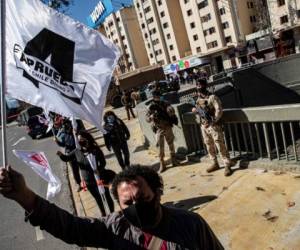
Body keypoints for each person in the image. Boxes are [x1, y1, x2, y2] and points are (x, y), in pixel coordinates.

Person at [0, 165, 224, 249]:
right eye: (128, 203)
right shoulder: (115, 227)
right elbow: (71, 228)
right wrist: (24, 196)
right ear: (119, 204)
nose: (135, 206)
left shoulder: (190, 224)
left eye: (142, 198)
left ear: (157, 193)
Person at [57, 130, 114, 216]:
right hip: (89, 182)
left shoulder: (95, 149)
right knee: (98, 199)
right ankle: (104, 215)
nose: (81, 141)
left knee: (106, 196)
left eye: (83, 139)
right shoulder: (77, 151)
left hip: (100, 178)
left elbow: (103, 162)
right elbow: (67, 158)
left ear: (87, 139)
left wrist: (98, 169)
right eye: (79, 140)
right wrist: (60, 155)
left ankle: (112, 213)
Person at [192, 78, 233, 176]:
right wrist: (196, 111)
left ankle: (227, 164)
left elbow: (219, 110)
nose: (198, 87)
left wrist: (213, 121)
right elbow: (198, 113)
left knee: (219, 144)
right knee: (208, 145)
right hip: (203, 126)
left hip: (213, 125)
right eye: (197, 85)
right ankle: (214, 163)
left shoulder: (212, 97)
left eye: (200, 85)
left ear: (205, 85)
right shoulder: (197, 99)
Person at [146, 90, 180, 172]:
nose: (159, 97)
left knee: (171, 144)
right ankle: (162, 164)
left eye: (159, 96)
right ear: (154, 97)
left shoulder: (166, 103)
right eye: (157, 96)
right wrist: (151, 117)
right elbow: (147, 119)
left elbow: (172, 114)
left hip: (167, 126)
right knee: (160, 148)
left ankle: (174, 160)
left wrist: (171, 113)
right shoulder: (150, 107)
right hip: (159, 128)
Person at [55, 119, 81, 192]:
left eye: (67, 125)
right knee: (74, 170)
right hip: (69, 154)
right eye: (64, 125)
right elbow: (63, 145)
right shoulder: (64, 134)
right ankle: (78, 183)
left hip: (78, 152)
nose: (66, 126)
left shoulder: (75, 132)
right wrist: (57, 141)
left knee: (82, 167)